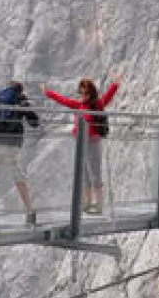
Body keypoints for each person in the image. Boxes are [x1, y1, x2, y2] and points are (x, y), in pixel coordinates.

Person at [43, 78, 119, 215]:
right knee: (85, 175)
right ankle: (88, 202)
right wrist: (48, 93)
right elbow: (63, 101)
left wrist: (115, 84)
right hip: (80, 142)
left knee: (94, 173)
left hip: (92, 142)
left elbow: (108, 96)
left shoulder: (97, 105)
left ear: (91, 94)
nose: (82, 96)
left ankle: (99, 205)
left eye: (85, 93)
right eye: (81, 93)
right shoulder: (79, 105)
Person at [0, 80, 40, 226]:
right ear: (20, 90)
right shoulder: (22, 101)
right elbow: (35, 123)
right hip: (13, 144)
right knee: (18, 176)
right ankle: (30, 212)